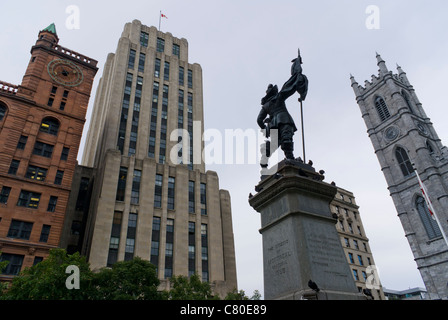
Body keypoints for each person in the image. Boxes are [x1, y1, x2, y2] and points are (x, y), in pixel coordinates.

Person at [257, 84, 297, 160]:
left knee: (275, 142)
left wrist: (264, 128)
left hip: (272, 125)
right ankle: (290, 158)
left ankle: (267, 150)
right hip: (284, 119)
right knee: (286, 139)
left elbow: (259, 120)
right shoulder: (279, 96)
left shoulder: (265, 106)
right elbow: (290, 88)